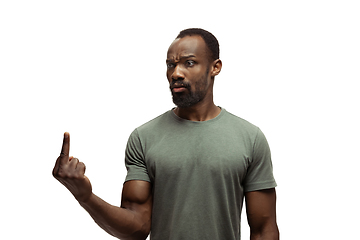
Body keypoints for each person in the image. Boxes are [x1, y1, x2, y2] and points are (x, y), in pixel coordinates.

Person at [53, 28, 279, 240]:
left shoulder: (250, 138)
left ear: (215, 67)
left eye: (189, 63)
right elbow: (137, 228)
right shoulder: (144, 138)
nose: (176, 73)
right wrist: (85, 196)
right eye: (171, 65)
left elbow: (263, 230)